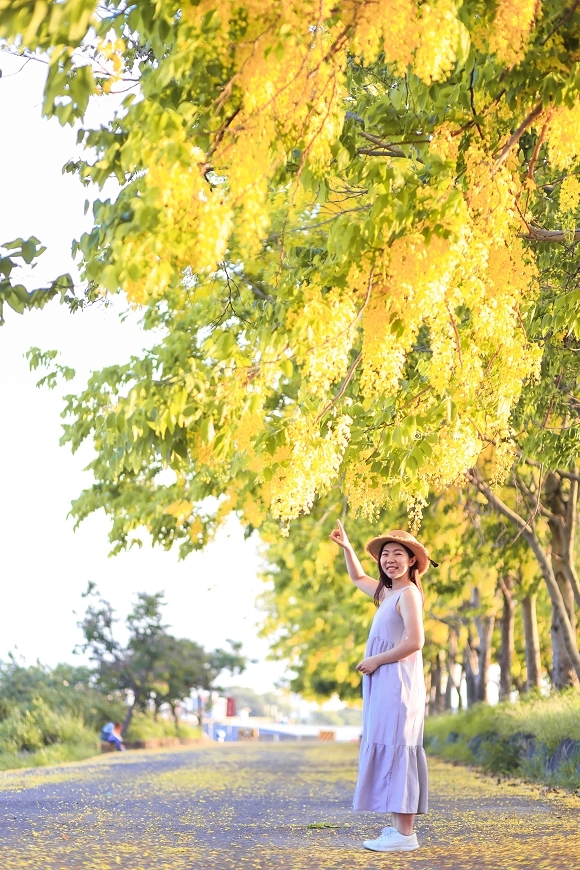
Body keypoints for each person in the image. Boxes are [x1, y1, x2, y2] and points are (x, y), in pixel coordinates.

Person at [329, 520, 431, 853]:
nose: (390, 559)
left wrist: (376, 660)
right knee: (390, 746)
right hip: (385, 682)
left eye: (398, 554)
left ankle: (404, 835)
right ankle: (399, 831)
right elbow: (358, 578)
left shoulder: (409, 594)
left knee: (399, 749)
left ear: (412, 560)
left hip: (397, 684)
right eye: (385, 554)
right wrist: (348, 548)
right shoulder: (388, 592)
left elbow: (416, 641)